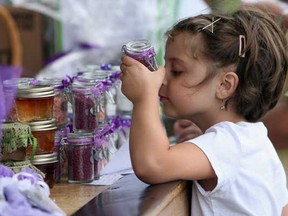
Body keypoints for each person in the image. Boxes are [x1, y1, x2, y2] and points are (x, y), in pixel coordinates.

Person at [120, 6, 288, 215]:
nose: (161, 77)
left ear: (224, 86)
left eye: (177, 71)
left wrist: (144, 98)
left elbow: (152, 165)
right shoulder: (253, 140)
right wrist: (204, 142)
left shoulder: (228, 145)